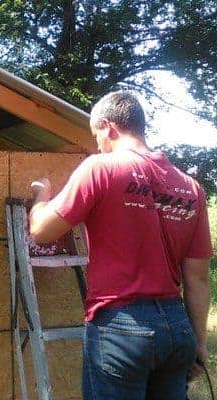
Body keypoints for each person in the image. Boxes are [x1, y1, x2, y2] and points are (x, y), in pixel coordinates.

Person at [28, 91, 213, 399]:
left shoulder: (101, 168)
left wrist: (40, 199)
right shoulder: (190, 188)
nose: (97, 144)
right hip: (176, 327)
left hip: (121, 328)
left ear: (108, 126)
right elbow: (197, 278)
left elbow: (41, 232)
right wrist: (198, 343)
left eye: (96, 135)